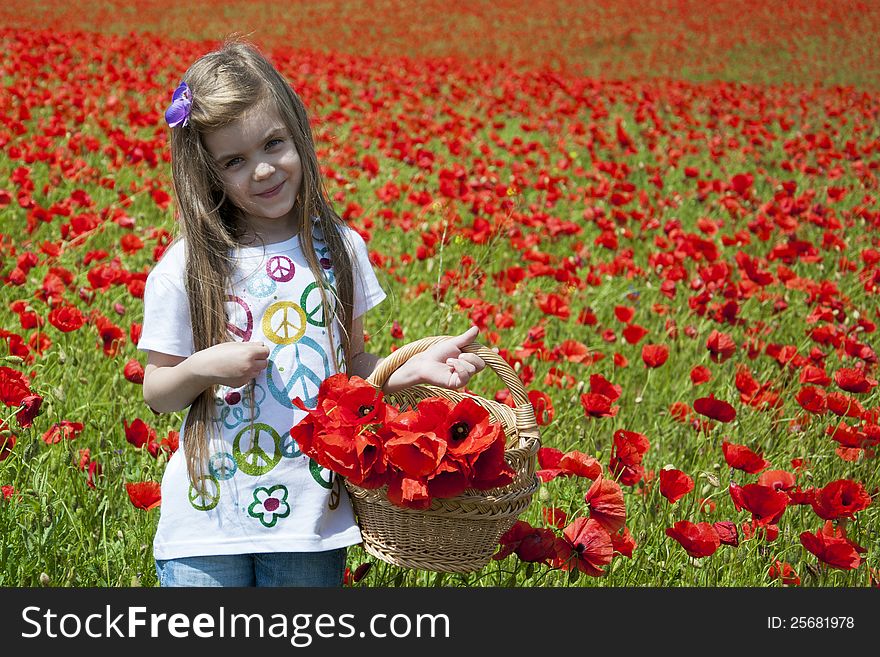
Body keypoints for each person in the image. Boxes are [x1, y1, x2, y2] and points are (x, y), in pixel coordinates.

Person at [137, 40, 487, 587]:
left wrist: (407, 368)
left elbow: (351, 369)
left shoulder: (340, 250)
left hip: (311, 520)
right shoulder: (186, 266)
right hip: (206, 524)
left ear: (297, 134)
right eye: (234, 161)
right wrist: (205, 366)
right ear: (208, 174)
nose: (262, 170)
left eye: (273, 144)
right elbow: (158, 392)